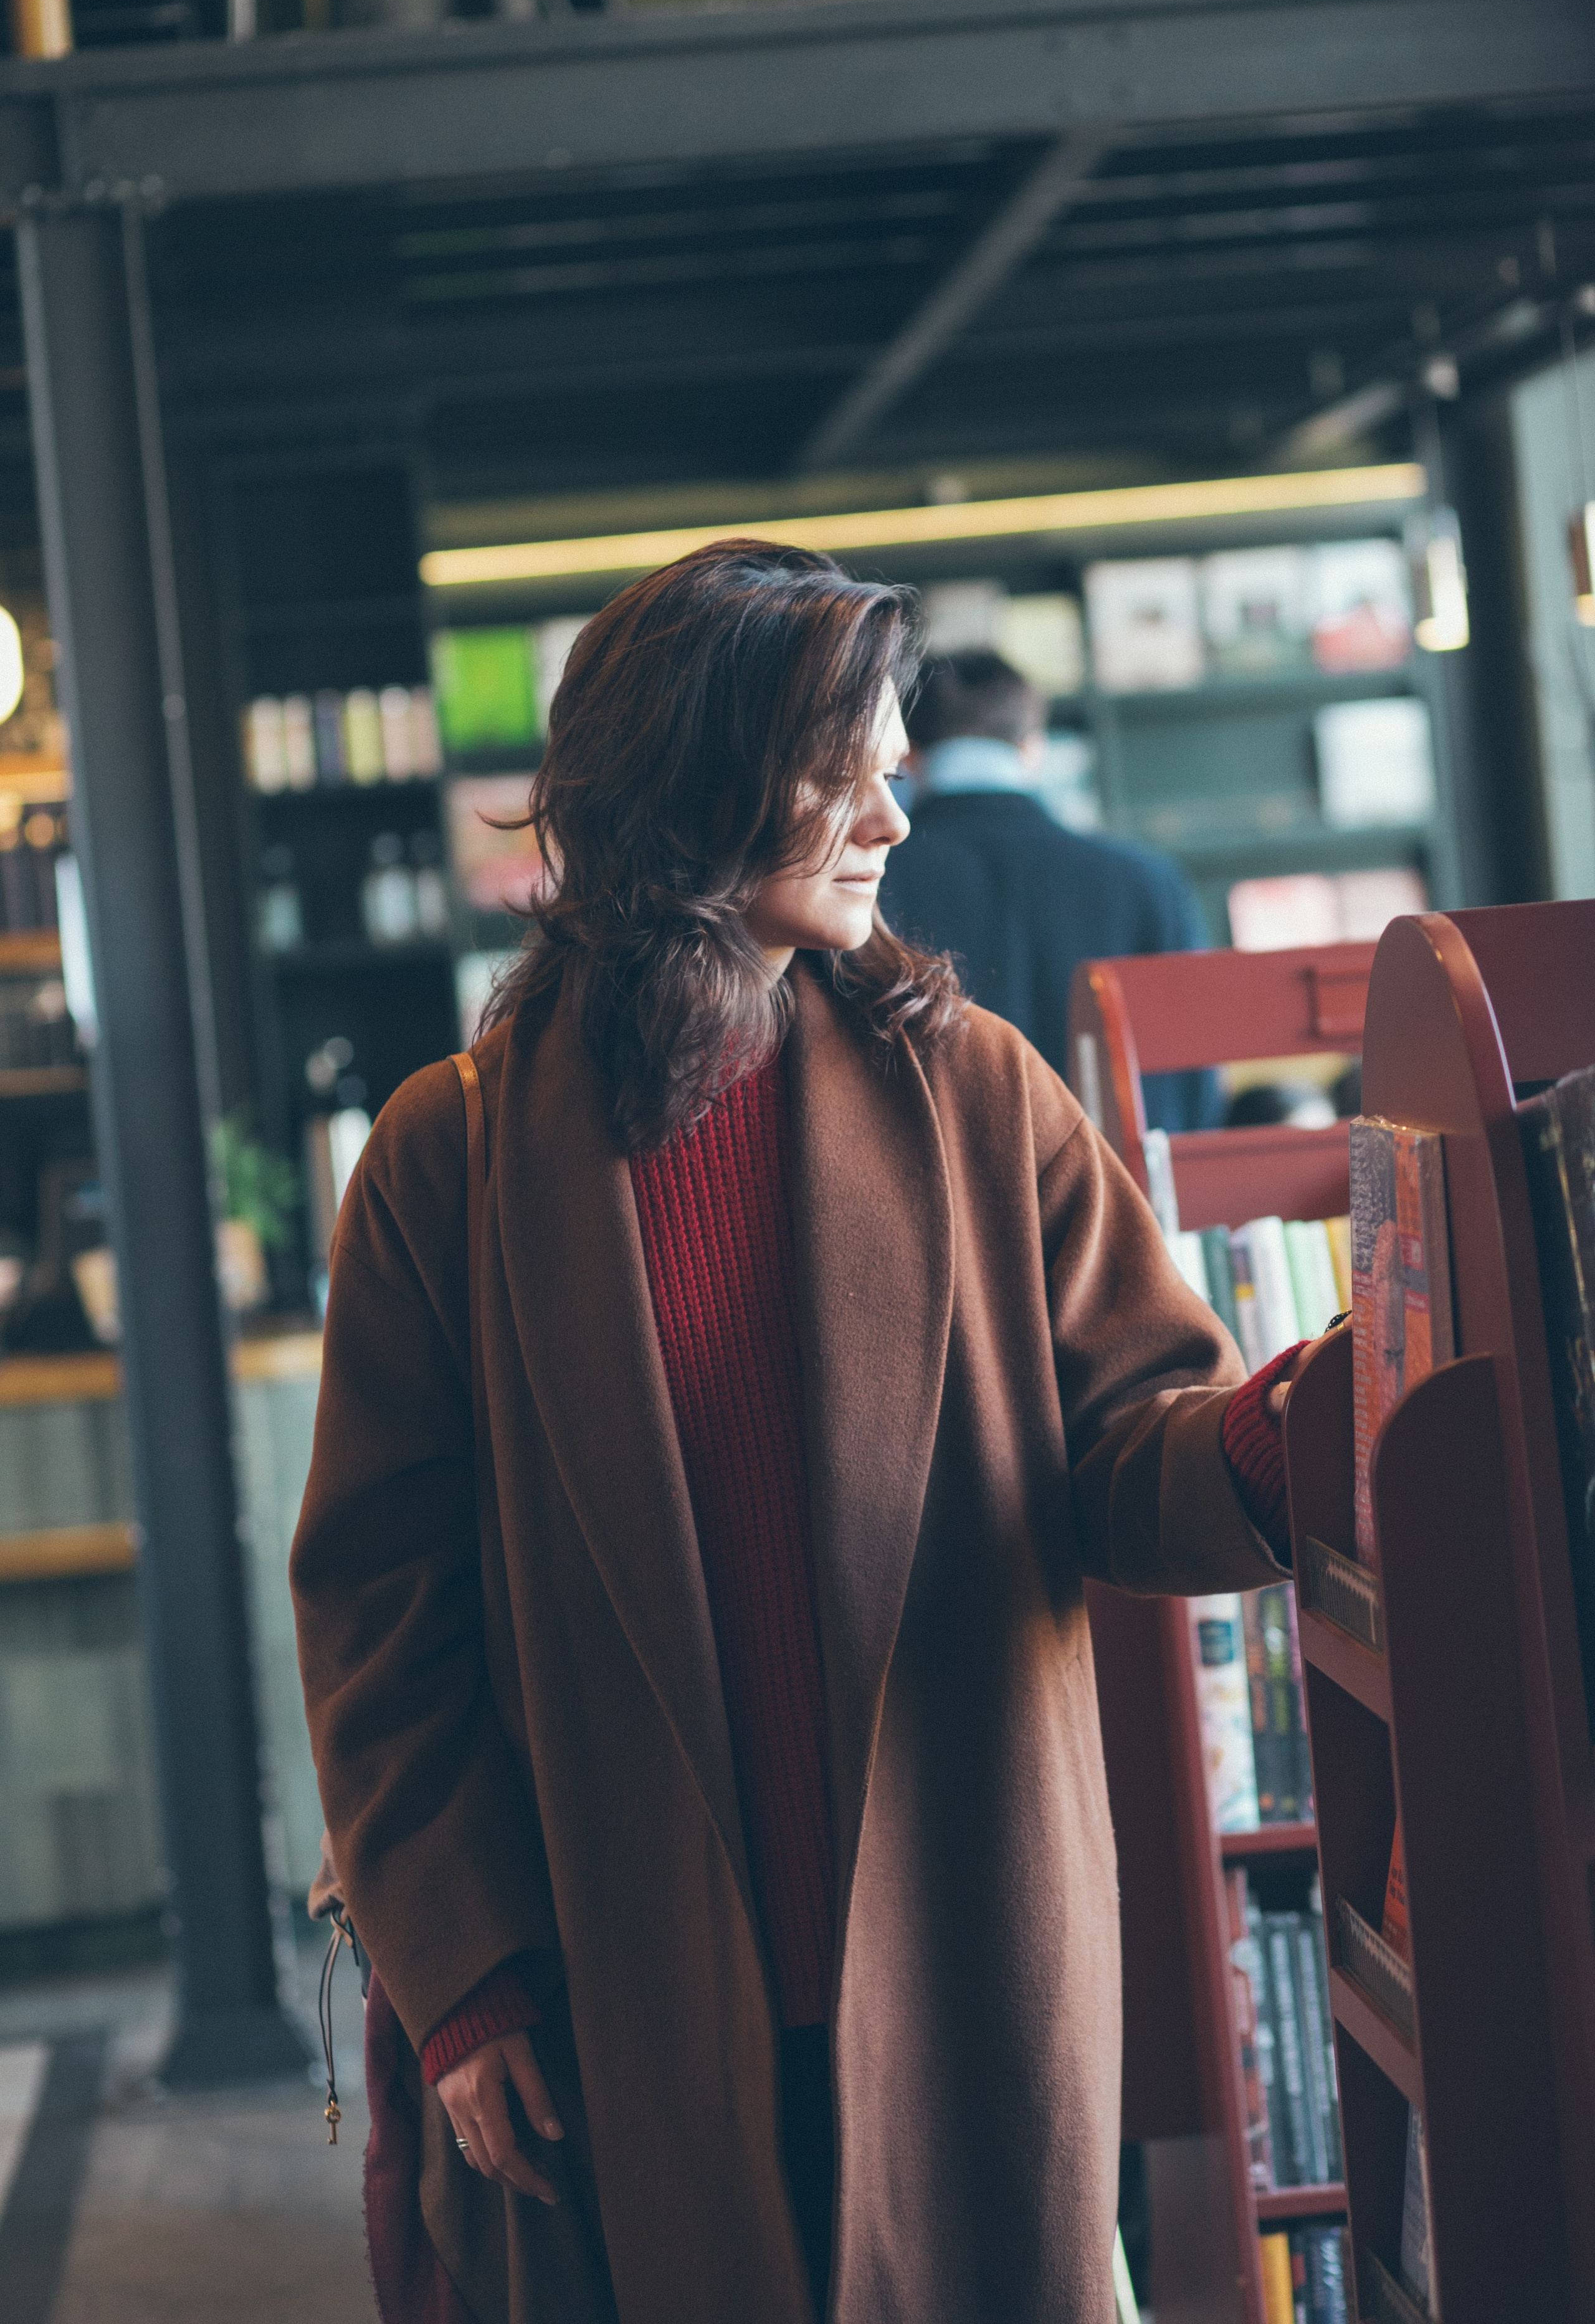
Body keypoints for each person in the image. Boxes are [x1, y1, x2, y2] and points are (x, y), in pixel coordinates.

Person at [291, 539, 1323, 2324]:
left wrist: (1293, 1440)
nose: (893, 819)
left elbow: (1125, 1446)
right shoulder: (446, 1162)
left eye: (893, 762)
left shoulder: (977, 1093)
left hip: (962, 1955)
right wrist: (461, 1977)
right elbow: (380, 1612)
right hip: (604, 1998)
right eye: (843, 768)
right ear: (693, 776)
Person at [879, 647, 1222, 1134]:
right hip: (1117, 1189)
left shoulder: (867, 884)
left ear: (906, 753)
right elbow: (1197, 1085)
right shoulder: (1147, 881)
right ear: (1033, 748)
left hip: (943, 1193)